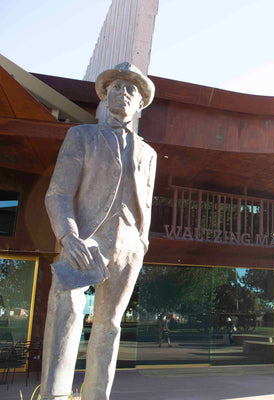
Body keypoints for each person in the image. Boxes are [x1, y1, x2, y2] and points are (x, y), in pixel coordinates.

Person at [40, 62, 156, 400]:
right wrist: (68, 236)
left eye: (130, 90)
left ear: (139, 104)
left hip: (129, 246)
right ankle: (54, 395)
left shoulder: (148, 153)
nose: (122, 93)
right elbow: (58, 193)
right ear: (104, 98)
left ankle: (96, 396)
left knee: (110, 326)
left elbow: (145, 201)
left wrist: (142, 241)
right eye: (116, 88)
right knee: (68, 306)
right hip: (87, 238)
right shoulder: (82, 136)